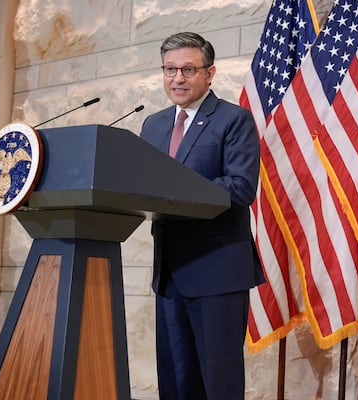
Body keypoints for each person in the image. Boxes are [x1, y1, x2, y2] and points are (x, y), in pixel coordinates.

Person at [139, 32, 265, 400]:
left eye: (188, 70)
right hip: (169, 273)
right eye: (170, 69)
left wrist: (177, 189)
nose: (178, 78)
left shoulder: (233, 120)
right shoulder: (153, 125)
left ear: (209, 74)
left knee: (218, 383)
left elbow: (241, 187)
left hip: (217, 272)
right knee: (175, 381)